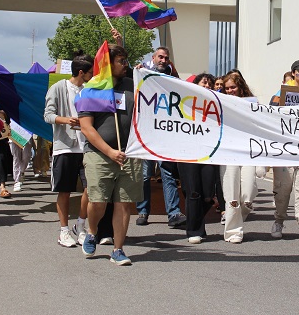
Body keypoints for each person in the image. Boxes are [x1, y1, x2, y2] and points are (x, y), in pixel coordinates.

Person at [79, 44, 143, 266]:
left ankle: (118, 249)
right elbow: (87, 128)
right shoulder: (91, 90)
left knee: (124, 203)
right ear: (108, 63)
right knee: (98, 201)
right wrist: (110, 151)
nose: (126, 65)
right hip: (99, 155)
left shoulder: (133, 85)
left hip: (130, 154)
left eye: (127, 61)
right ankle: (92, 231)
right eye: (122, 61)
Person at [46, 54, 103, 247]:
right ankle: (63, 230)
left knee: (90, 188)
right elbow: (48, 115)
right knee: (64, 190)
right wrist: (65, 120)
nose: (91, 76)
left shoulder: (88, 90)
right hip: (65, 147)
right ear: (81, 72)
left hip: (86, 147)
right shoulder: (58, 88)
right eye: (89, 73)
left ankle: (80, 224)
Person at [135, 46, 186, 229]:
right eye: (160, 57)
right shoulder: (142, 74)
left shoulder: (172, 80)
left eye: (166, 58)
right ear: (153, 58)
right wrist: (138, 71)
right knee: (144, 176)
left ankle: (173, 213)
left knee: (168, 175)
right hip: (147, 135)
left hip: (165, 136)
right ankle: (142, 211)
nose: (163, 61)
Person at [269, 59, 299, 244]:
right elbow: (270, 112)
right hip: (284, 148)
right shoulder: (282, 92)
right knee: (282, 190)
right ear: (294, 73)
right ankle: (278, 221)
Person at [178, 72, 219, 244]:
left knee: (208, 194)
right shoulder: (185, 105)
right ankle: (194, 230)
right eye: (204, 83)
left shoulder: (217, 106)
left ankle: (193, 220)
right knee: (193, 192)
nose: (208, 86)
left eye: (210, 84)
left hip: (209, 154)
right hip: (187, 153)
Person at [220, 71, 258, 243]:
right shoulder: (219, 103)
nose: (230, 91)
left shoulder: (252, 103)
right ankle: (233, 231)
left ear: (240, 86)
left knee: (248, 196)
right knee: (232, 196)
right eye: (227, 88)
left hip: (248, 153)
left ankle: (238, 220)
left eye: (233, 87)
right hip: (228, 153)